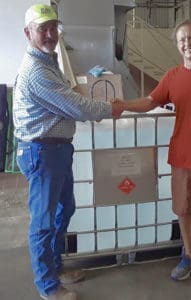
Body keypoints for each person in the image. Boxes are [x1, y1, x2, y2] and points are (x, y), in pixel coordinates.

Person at [112, 19, 191, 290]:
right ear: (178, 45)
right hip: (181, 158)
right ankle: (190, 256)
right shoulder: (172, 76)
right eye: (182, 40)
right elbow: (149, 102)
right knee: (183, 210)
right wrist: (122, 105)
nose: (187, 43)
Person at [13, 4, 122, 300]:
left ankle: (56, 265)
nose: (50, 34)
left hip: (57, 150)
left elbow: (70, 98)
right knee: (44, 220)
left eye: (53, 28)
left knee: (65, 209)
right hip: (41, 151)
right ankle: (47, 285)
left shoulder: (50, 61)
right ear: (28, 33)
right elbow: (75, 106)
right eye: (42, 29)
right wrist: (114, 108)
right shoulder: (37, 70)